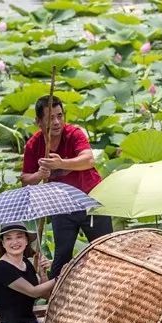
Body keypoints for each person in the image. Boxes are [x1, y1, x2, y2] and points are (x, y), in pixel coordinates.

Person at [21, 95, 113, 279]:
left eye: (60, 116)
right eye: (50, 118)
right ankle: (56, 298)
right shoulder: (34, 144)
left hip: (90, 200)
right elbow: (25, 178)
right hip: (61, 205)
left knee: (106, 251)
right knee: (62, 256)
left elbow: (88, 160)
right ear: (39, 121)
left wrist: (61, 163)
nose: (56, 122)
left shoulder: (74, 134)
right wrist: (40, 174)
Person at [0, 223, 55, 323]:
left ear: (26, 241)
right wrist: (61, 277)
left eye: (19, 237)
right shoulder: (1, 268)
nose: (15, 242)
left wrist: (44, 274)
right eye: (8, 239)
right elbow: (33, 292)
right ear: (3, 243)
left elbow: (45, 295)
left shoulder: (26, 263)